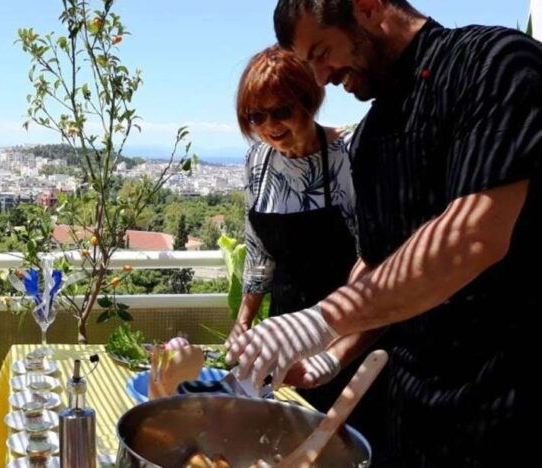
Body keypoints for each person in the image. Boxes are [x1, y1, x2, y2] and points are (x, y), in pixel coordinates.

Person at [227, 0, 542, 465]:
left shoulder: (495, 63)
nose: (319, 79)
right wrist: (330, 358)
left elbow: (472, 235)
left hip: (505, 405)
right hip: (408, 406)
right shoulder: (375, 135)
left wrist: (319, 321)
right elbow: (376, 265)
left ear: (369, 7)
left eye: (321, 52)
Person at [228, 45, 388, 447]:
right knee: (288, 443)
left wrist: (335, 348)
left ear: (309, 100)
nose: (269, 125)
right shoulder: (258, 161)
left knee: (347, 444)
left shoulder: (349, 153)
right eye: (256, 116)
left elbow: (378, 258)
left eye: (281, 110)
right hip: (287, 331)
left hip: (354, 328)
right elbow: (258, 248)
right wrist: (244, 319)